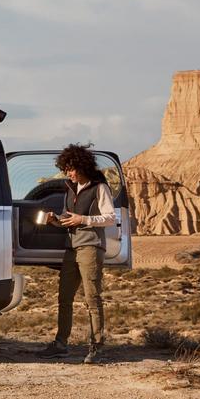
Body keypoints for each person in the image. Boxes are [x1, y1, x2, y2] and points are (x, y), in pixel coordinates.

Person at [37, 143, 116, 363]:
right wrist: (55, 220)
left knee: (92, 298)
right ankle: (60, 344)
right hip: (71, 247)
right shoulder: (70, 189)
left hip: (90, 247)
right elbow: (68, 219)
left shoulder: (99, 187)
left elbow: (111, 218)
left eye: (70, 169)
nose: (68, 173)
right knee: (64, 298)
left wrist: (84, 219)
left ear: (81, 166)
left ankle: (96, 346)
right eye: (65, 169)